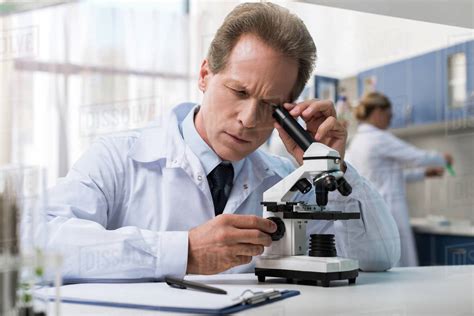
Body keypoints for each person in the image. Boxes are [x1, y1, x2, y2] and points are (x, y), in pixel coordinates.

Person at [45, 3, 400, 280]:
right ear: (205, 75)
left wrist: (334, 171)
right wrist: (183, 251)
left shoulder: (283, 181)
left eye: (271, 106)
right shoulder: (118, 157)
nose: (248, 118)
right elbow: (45, 245)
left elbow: (379, 258)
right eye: (239, 91)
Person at [346, 92, 453, 267]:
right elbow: (415, 157)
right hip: (390, 209)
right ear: (378, 112)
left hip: (370, 212)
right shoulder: (379, 138)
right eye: (389, 115)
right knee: (401, 265)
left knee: (385, 265)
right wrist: (442, 158)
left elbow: (386, 175)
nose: (390, 120)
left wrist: (423, 174)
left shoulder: (357, 142)